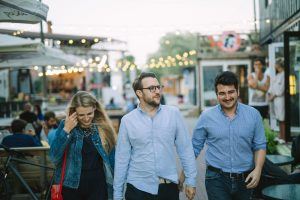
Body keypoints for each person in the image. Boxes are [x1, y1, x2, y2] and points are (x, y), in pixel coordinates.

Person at [113, 72, 197, 200]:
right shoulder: (128, 120)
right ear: (139, 93)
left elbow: (185, 149)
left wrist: (191, 181)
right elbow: (121, 159)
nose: (157, 91)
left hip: (167, 188)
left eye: (158, 87)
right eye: (152, 88)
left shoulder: (173, 114)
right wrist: (117, 195)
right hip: (137, 189)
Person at [186, 71, 266, 200]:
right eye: (222, 93)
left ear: (237, 91)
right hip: (216, 179)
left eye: (231, 92)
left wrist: (258, 170)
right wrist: (186, 177)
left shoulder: (253, 115)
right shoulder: (206, 117)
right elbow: (194, 148)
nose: (227, 97)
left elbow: (260, 146)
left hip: (246, 178)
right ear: (216, 95)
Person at [50, 91, 117, 200]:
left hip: (98, 185)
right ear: (74, 112)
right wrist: (66, 130)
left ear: (94, 108)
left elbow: (112, 160)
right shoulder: (65, 125)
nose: (86, 118)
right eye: (81, 115)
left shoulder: (103, 127)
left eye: (89, 113)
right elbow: (54, 157)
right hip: (71, 186)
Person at [268, 58, 285, 141]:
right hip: (275, 100)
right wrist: (270, 95)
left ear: (279, 65)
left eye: (276, 64)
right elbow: (273, 87)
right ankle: (280, 136)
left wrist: (273, 96)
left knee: (282, 118)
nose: (274, 66)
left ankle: (284, 137)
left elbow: (281, 90)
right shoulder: (277, 75)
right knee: (278, 118)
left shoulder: (284, 75)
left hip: (280, 99)